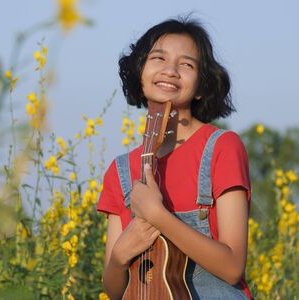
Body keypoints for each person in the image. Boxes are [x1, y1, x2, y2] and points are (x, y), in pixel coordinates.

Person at [97, 17, 252, 299]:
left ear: (202, 86)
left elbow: (232, 267)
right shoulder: (120, 170)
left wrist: (158, 216)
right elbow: (115, 290)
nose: (170, 71)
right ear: (139, 72)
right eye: (158, 58)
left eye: (187, 64)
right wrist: (120, 256)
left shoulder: (221, 147)